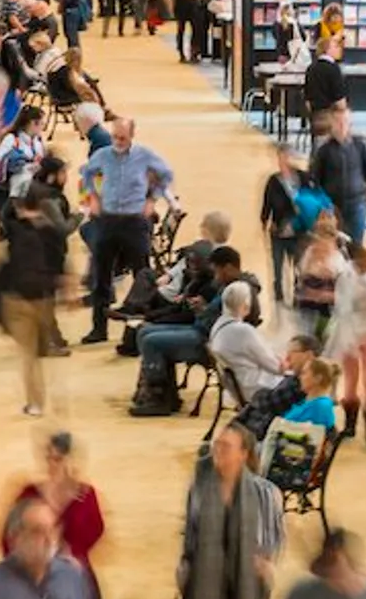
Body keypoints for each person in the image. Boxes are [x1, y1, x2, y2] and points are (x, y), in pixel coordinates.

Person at [178, 423, 286, 599]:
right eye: (216, 446)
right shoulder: (199, 489)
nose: (218, 451)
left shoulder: (266, 493)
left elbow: (272, 543)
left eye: (226, 447)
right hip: (204, 586)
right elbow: (190, 536)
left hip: (246, 584)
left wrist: (263, 566)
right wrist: (184, 571)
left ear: (243, 453)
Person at [79, 117, 175, 344]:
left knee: (142, 276)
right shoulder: (102, 155)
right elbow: (87, 174)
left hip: (135, 222)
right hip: (108, 220)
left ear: (132, 136)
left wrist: (152, 199)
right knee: (102, 276)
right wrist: (93, 197)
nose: (118, 142)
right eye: (115, 137)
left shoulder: (145, 155)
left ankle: (138, 332)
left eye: (123, 138)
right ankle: (98, 328)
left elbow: (166, 174)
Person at [129, 247, 253, 416]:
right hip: (200, 329)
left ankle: (158, 398)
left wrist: (203, 309)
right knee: (145, 332)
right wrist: (202, 308)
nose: (216, 276)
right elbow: (215, 314)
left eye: (218, 271)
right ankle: (168, 394)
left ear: (229, 267)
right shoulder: (226, 286)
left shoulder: (237, 290)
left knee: (152, 342)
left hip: (208, 341)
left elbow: (231, 320)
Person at [1, 430, 108, 595]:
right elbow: (7, 536)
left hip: (75, 582)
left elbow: (97, 530)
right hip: (34, 582)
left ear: (71, 461)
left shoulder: (86, 496)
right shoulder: (30, 493)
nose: (51, 464)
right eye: (48, 458)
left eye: (57, 459)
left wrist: (75, 554)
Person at [0, 187, 66, 419]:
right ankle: (57, 401)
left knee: (28, 355)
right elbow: (61, 263)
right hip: (45, 296)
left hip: (18, 296)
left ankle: (35, 403)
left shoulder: (15, 230)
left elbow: (4, 214)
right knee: (43, 350)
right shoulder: (52, 231)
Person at [327, 239, 366, 441]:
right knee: (351, 380)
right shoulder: (345, 276)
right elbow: (342, 306)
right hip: (351, 331)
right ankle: (350, 424)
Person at [310, 106, 366, 248]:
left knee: (356, 246)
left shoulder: (361, 147)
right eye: (338, 122)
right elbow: (316, 183)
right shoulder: (323, 151)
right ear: (332, 124)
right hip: (331, 207)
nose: (342, 126)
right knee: (333, 246)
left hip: (357, 205)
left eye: (345, 121)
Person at [210, 280, 284, 401]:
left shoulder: (218, 325)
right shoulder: (243, 331)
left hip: (239, 387)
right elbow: (274, 366)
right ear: (245, 303)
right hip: (255, 388)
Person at [260, 148, 302, 306]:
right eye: (279, 158)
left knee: (298, 266)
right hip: (278, 230)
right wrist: (264, 221)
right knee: (277, 266)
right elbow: (267, 203)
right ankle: (278, 297)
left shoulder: (302, 179)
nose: (281, 162)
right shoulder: (273, 180)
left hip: (297, 231)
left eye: (285, 158)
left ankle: (298, 295)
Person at [304, 35, 349, 138]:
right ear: (327, 50)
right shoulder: (333, 68)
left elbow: (307, 98)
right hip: (331, 117)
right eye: (336, 47)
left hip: (315, 116)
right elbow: (340, 101)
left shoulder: (311, 68)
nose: (339, 49)